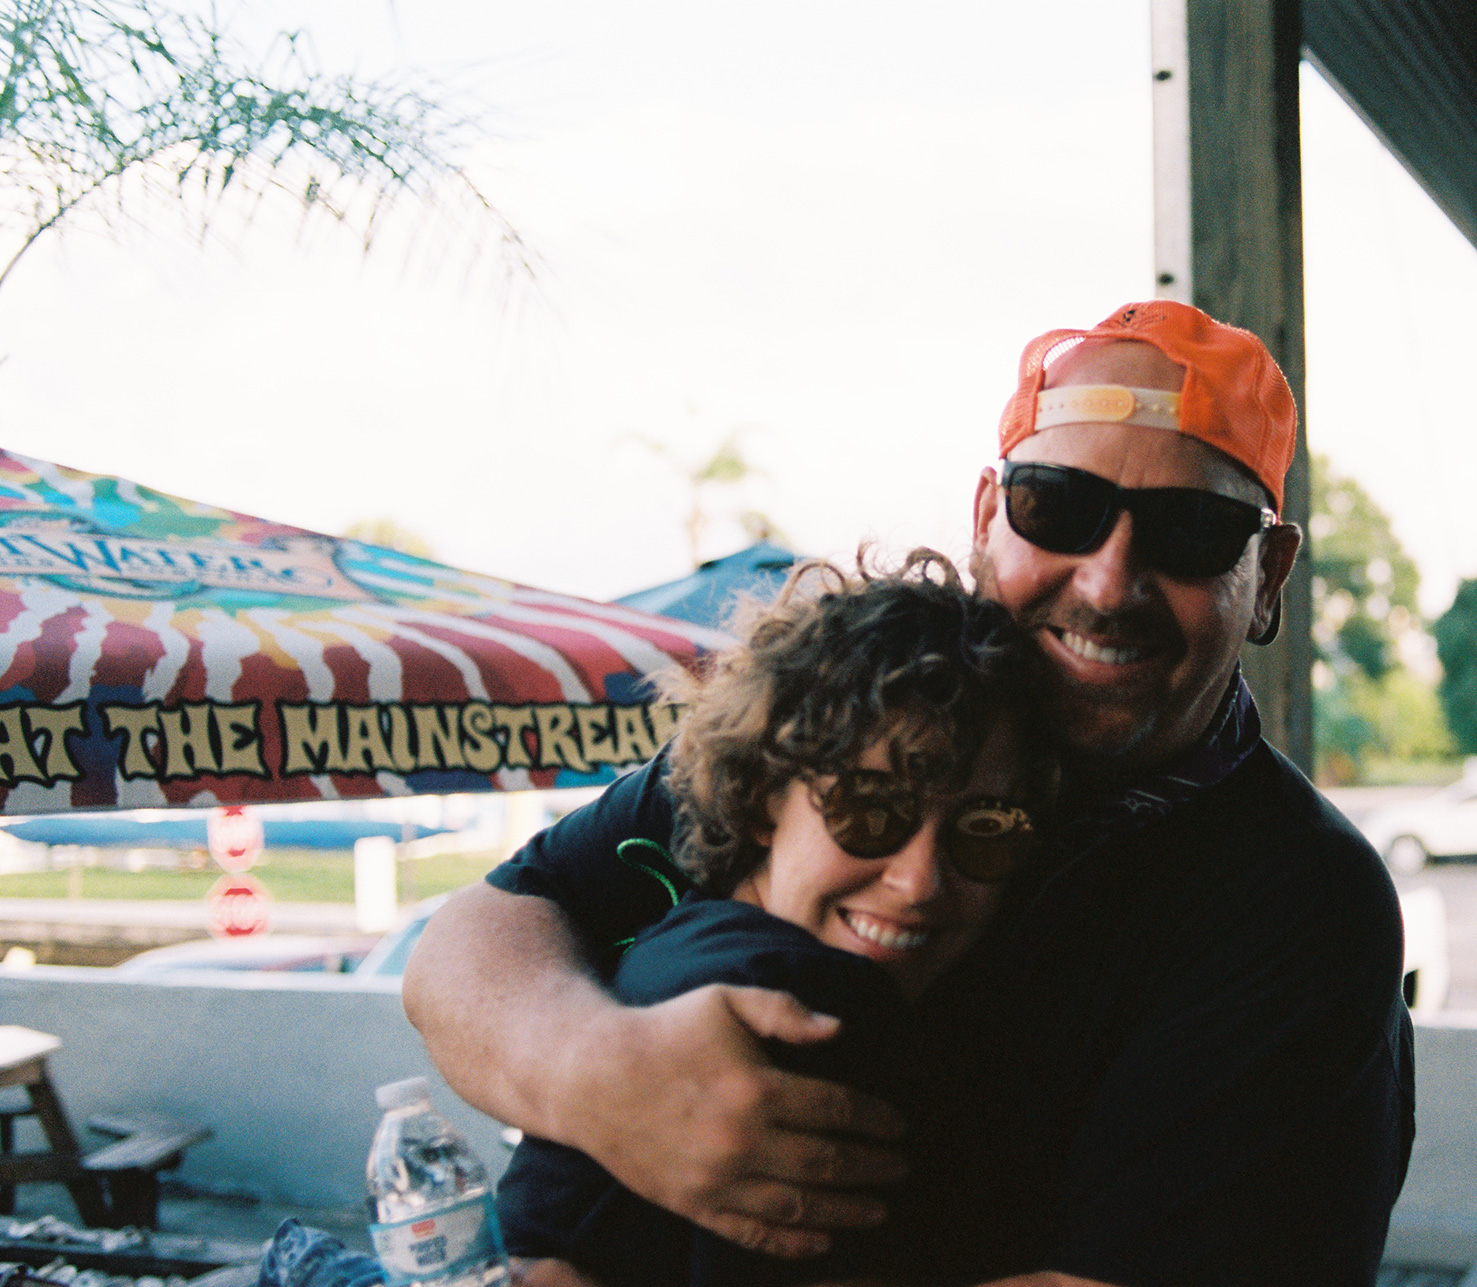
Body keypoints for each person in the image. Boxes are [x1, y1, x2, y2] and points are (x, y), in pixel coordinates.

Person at [403, 300, 1415, 1287]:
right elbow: (476, 934)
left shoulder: (1296, 899)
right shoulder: (860, 722)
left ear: (1270, 573)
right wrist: (597, 1076)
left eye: (1192, 532)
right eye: (1058, 507)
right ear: (988, 519)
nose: (1110, 581)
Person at [496, 553, 1055, 1286]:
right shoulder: (808, 1000)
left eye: (987, 827)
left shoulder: (677, 941)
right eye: (870, 807)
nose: (919, 880)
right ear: (764, 798)